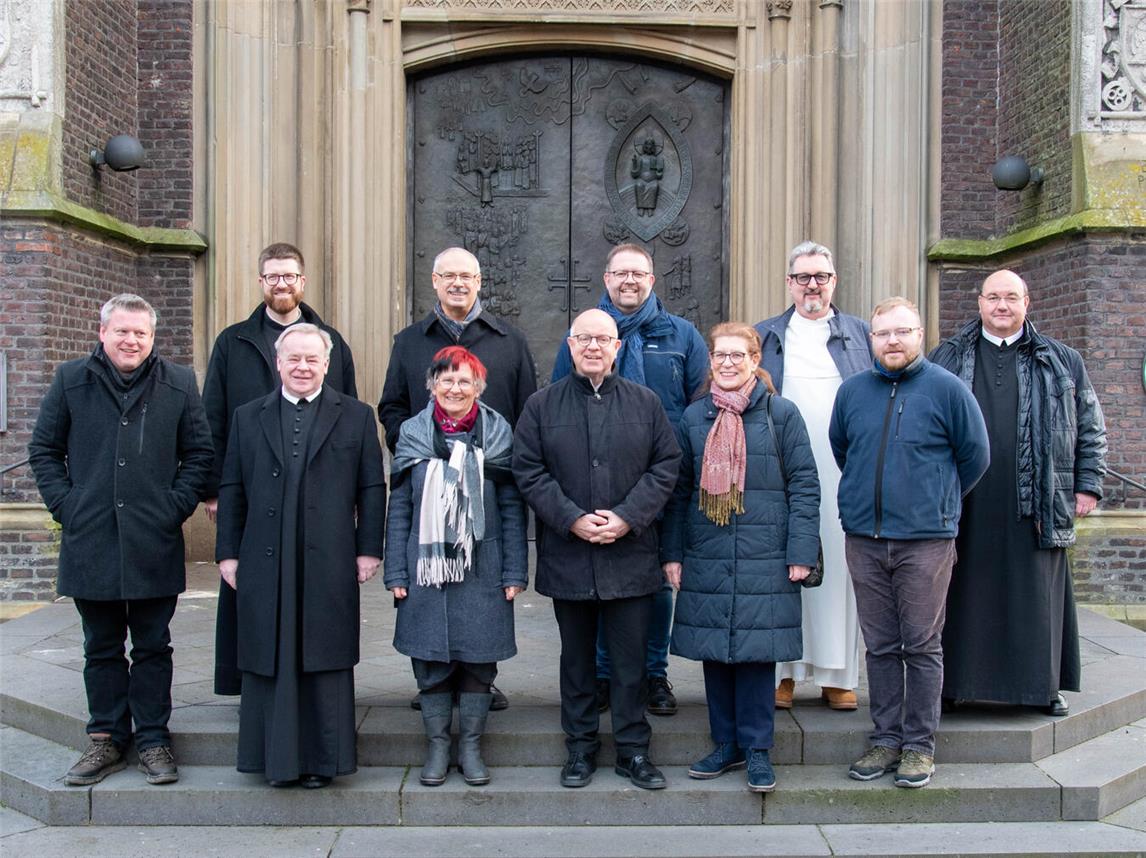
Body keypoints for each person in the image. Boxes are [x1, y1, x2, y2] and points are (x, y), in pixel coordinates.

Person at [29, 294, 214, 786]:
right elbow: (44, 450)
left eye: (141, 333)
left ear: (153, 338)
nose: (131, 340)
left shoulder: (177, 382)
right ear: (103, 332)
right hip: (91, 539)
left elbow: (199, 454)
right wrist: (67, 508)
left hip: (153, 540)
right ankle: (106, 739)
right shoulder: (72, 380)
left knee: (154, 645)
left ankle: (153, 739)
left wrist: (173, 507)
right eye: (123, 331)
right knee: (101, 646)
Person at [514, 308, 681, 790]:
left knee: (630, 665)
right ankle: (581, 749)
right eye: (583, 338)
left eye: (602, 339)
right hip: (570, 555)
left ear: (617, 347)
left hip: (630, 556)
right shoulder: (541, 406)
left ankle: (633, 751)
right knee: (577, 662)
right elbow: (528, 469)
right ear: (569, 346)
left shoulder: (645, 403)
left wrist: (627, 516)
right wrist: (571, 518)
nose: (593, 347)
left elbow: (666, 465)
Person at [930, 269, 1107, 716]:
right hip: (965, 500)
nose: (1002, 306)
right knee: (959, 588)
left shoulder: (1062, 360)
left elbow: (1090, 426)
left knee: (1038, 594)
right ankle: (954, 684)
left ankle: (1042, 687)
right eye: (993, 297)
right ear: (980, 303)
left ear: (1027, 302)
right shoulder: (947, 357)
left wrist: (1088, 485)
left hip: (1039, 499)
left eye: (1011, 297)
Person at [215, 324, 385, 789]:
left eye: (312, 359)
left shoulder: (355, 415)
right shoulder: (248, 416)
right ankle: (273, 760)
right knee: (269, 649)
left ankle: (322, 761)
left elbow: (372, 486)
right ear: (278, 362)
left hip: (329, 554)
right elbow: (231, 487)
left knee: (323, 651)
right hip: (264, 555)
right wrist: (227, 553)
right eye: (294, 359)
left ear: (327, 364)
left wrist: (369, 548)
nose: (303, 367)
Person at [829, 297, 989, 789]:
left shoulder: (948, 389)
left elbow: (975, 457)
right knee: (879, 646)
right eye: (883, 333)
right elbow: (843, 450)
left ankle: (918, 746)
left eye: (902, 331)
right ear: (871, 339)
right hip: (865, 540)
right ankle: (885, 739)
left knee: (920, 645)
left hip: (925, 543)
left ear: (920, 334)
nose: (892, 340)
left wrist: (933, 501)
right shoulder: (852, 392)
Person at [662, 323, 820, 792]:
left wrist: (801, 551)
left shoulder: (782, 414)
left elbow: (805, 485)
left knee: (756, 652)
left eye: (738, 354)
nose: (728, 363)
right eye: (720, 355)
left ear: (756, 360)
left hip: (766, 552)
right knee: (717, 650)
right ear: (710, 361)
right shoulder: (694, 417)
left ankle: (756, 749)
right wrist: (673, 552)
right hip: (707, 549)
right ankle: (725, 744)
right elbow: (679, 492)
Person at [552, 242, 708, 717]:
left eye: (638, 273)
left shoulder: (682, 336)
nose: (629, 281)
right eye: (620, 273)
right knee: (600, 581)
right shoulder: (582, 335)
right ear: (606, 279)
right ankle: (604, 675)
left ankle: (653, 673)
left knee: (658, 580)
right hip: (595, 482)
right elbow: (562, 398)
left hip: (662, 480)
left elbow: (700, 402)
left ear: (652, 279)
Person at [378, 246, 536, 712]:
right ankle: (433, 677)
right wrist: (418, 451)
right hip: (428, 479)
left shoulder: (511, 341)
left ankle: (479, 679)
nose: (458, 284)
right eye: (448, 276)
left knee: (481, 589)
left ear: (480, 281)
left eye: (467, 276)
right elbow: (391, 404)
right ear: (434, 281)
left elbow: (528, 410)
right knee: (431, 591)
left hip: (489, 483)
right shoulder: (409, 342)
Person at [202, 242, 357, 697]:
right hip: (251, 488)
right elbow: (213, 414)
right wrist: (214, 490)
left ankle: (307, 678)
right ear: (262, 283)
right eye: (273, 276)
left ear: (302, 282)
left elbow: (345, 414)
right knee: (247, 589)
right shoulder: (233, 342)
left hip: (316, 491)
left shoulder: (332, 341)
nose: (282, 284)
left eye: (289, 276)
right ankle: (250, 681)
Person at [385, 347, 528, 787]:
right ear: (431, 385)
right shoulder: (412, 433)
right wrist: (396, 572)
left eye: (464, 381)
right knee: (429, 661)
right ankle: (438, 746)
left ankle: (469, 746)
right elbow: (401, 509)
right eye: (445, 380)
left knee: (479, 662)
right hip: (424, 565)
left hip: (484, 565)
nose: (455, 388)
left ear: (478, 388)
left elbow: (511, 507)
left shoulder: (498, 433)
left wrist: (514, 573)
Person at [756, 240, 870, 712]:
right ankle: (783, 673)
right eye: (803, 277)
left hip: (845, 469)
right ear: (789, 283)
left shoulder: (861, 335)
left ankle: (838, 676)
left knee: (841, 569)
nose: (812, 286)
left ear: (833, 281)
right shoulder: (764, 336)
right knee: (782, 566)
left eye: (821, 276)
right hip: (783, 469)